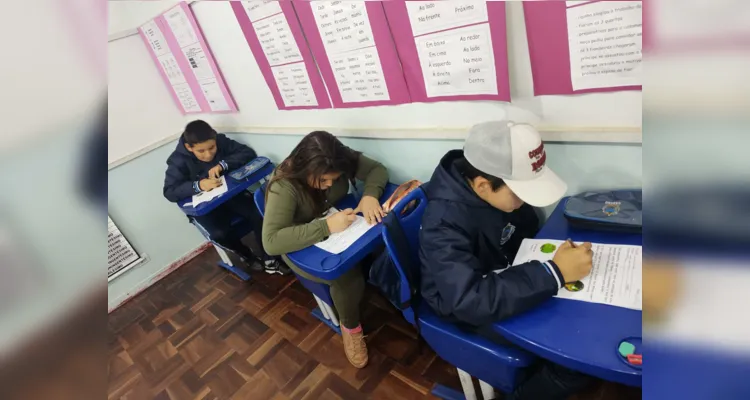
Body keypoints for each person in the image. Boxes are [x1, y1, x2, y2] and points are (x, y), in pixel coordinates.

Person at [419, 121, 595, 399]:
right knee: (573, 362)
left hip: (502, 275)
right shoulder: (442, 224)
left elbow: (523, 226)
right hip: (463, 305)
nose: (524, 202)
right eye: (520, 194)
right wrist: (553, 273)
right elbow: (468, 299)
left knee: (577, 322)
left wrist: (550, 263)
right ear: (482, 186)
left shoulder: (496, 193)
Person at [262, 131, 388, 368]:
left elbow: (377, 170)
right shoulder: (283, 185)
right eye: (322, 181)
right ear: (304, 169)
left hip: (340, 226)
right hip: (301, 246)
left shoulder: (336, 158)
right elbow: (271, 241)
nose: (329, 185)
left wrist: (371, 195)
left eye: (336, 178)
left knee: (385, 238)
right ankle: (350, 328)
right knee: (347, 277)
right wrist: (326, 227)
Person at [163, 120, 289, 275]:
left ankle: (269, 258)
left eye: (212, 148)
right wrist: (199, 186)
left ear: (215, 139)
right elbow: (170, 191)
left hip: (230, 196)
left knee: (259, 211)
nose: (208, 154)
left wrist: (223, 165)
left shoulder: (220, 141)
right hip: (206, 207)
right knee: (219, 234)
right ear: (189, 147)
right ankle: (245, 254)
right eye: (201, 151)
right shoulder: (177, 160)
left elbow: (247, 153)